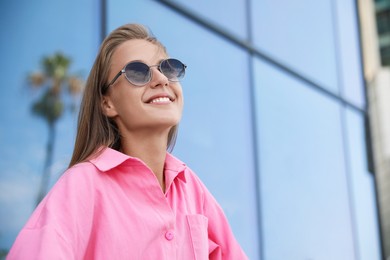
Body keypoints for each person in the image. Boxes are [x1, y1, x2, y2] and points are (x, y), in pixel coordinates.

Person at [7, 24, 248, 260]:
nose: (161, 79)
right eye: (137, 72)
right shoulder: (82, 185)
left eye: (168, 68)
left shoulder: (194, 191)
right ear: (108, 103)